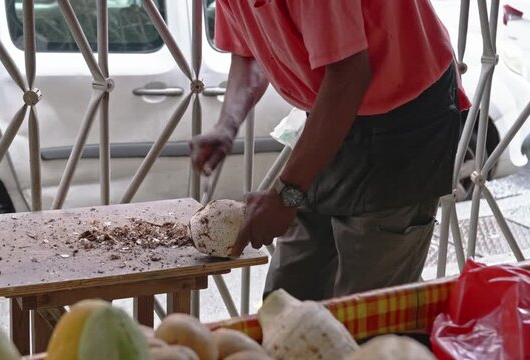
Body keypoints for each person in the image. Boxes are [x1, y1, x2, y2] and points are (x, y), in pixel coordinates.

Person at [189, 1, 471, 301]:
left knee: (366, 310)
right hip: (329, 112)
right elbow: (248, 52)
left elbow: (349, 75)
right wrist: (226, 125)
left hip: (403, 119)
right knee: (286, 299)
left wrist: (286, 194)